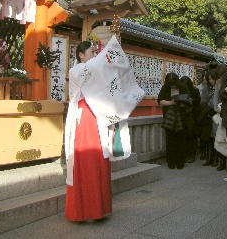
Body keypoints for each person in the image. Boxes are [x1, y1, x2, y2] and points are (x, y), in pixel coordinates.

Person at [64, 36, 145, 222]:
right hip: (85, 117)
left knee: (100, 161)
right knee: (87, 161)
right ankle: (84, 211)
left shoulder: (92, 68)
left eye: (95, 52)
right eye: (92, 52)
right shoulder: (77, 70)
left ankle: (99, 209)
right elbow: (95, 69)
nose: (95, 55)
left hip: (98, 116)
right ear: (81, 55)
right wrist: (108, 50)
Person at [158, 72, 190, 169]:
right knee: (170, 141)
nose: (172, 86)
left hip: (181, 116)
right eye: (170, 84)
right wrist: (171, 102)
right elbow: (160, 100)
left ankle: (180, 162)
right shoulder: (165, 88)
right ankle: (171, 162)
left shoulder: (183, 87)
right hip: (169, 117)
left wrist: (181, 101)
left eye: (174, 84)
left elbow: (189, 99)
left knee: (180, 140)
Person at [180, 76, 201, 163]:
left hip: (192, 116)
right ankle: (184, 155)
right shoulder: (180, 92)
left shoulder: (194, 91)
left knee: (191, 136)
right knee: (183, 137)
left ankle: (191, 155)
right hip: (182, 116)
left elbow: (197, 104)